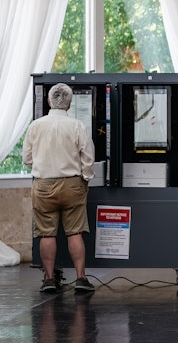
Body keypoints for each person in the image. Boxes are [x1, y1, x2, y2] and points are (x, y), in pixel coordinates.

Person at [23, 83, 96, 293]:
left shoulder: (35, 126)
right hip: (72, 184)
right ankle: (81, 279)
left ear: (48, 101)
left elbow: (27, 158)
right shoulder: (77, 126)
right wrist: (86, 179)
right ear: (70, 103)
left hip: (43, 185)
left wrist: (41, 168)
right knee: (75, 232)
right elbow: (88, 158)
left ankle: (48, 279)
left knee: (47, 234)